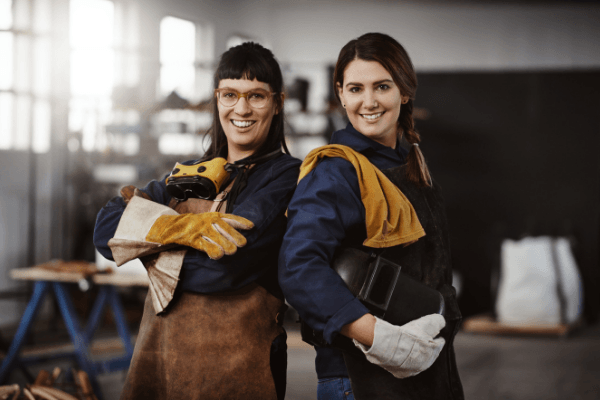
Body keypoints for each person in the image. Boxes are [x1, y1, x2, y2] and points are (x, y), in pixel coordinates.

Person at [93, 42, 301, 400]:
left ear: (277, 103)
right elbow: (106, 231)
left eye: (256, 96)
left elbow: (220, 270)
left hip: (237, 371)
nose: (242, 108)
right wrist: (177, 229)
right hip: (158, 360)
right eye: (230, 94)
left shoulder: (286, 178)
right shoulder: (190, 174)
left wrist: (146, 246)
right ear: (216, 99)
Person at [279, 32, 464, 399]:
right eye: (355, 88)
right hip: (360, 378)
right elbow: (298, 267)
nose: (369, 101)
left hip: (428, 365)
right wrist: (380, 338)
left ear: (404, 91)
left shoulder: (411, 162)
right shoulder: (336, 171)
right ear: (341, 94)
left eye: (382, 86)